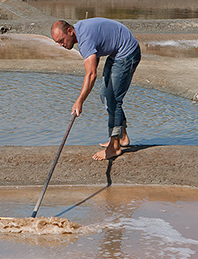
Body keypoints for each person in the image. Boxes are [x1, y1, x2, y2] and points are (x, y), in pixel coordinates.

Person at [51, 18, 141, 160]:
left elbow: (92, 74)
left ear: (69, 31)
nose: (61, 45)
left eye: (62, 40)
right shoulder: (81, 31)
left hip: (127, 53)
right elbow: (95, 52)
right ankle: (121, 136)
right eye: (58, 43)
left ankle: (115, 146)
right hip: (116, 52)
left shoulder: (84, 40)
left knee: (113, 99)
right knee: (105, 95)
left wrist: (79, 101)